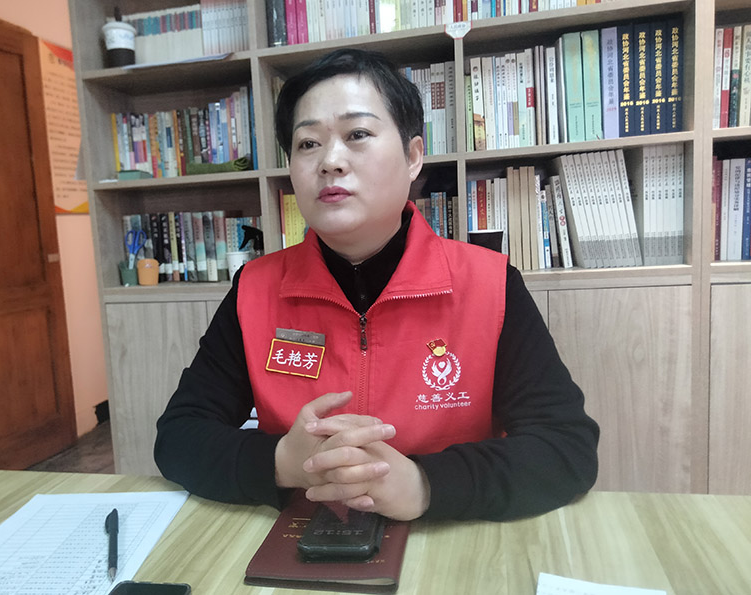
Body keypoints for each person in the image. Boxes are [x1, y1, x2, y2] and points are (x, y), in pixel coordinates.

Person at [154, 48, 599, 522]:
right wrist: (284, 461)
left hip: (450, 538)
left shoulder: (489, 284)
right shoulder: (254, 289)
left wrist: (425, 484)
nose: (330, 161)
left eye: (358, 134)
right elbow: (180, 436)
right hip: (301, 536)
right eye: (308, 143)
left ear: (412, 156)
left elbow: (566, 447)